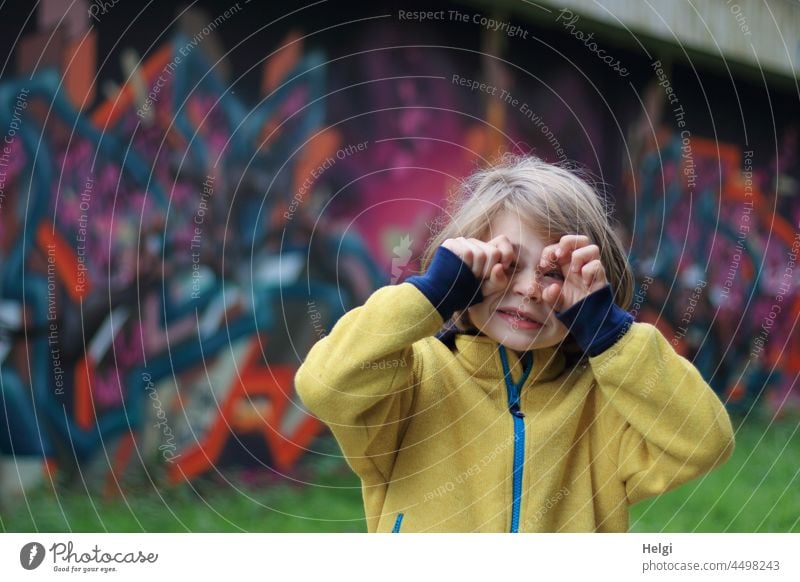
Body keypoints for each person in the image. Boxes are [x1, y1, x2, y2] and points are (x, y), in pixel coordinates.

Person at [294, 154, 735, 532]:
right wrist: (431, 295)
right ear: (465, 269)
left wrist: (609, 333)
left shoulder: (605, 400)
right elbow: (324, 384)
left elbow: (705, 442)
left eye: (555, 272)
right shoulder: (412, 377)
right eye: (507, 263)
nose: (528, 289)